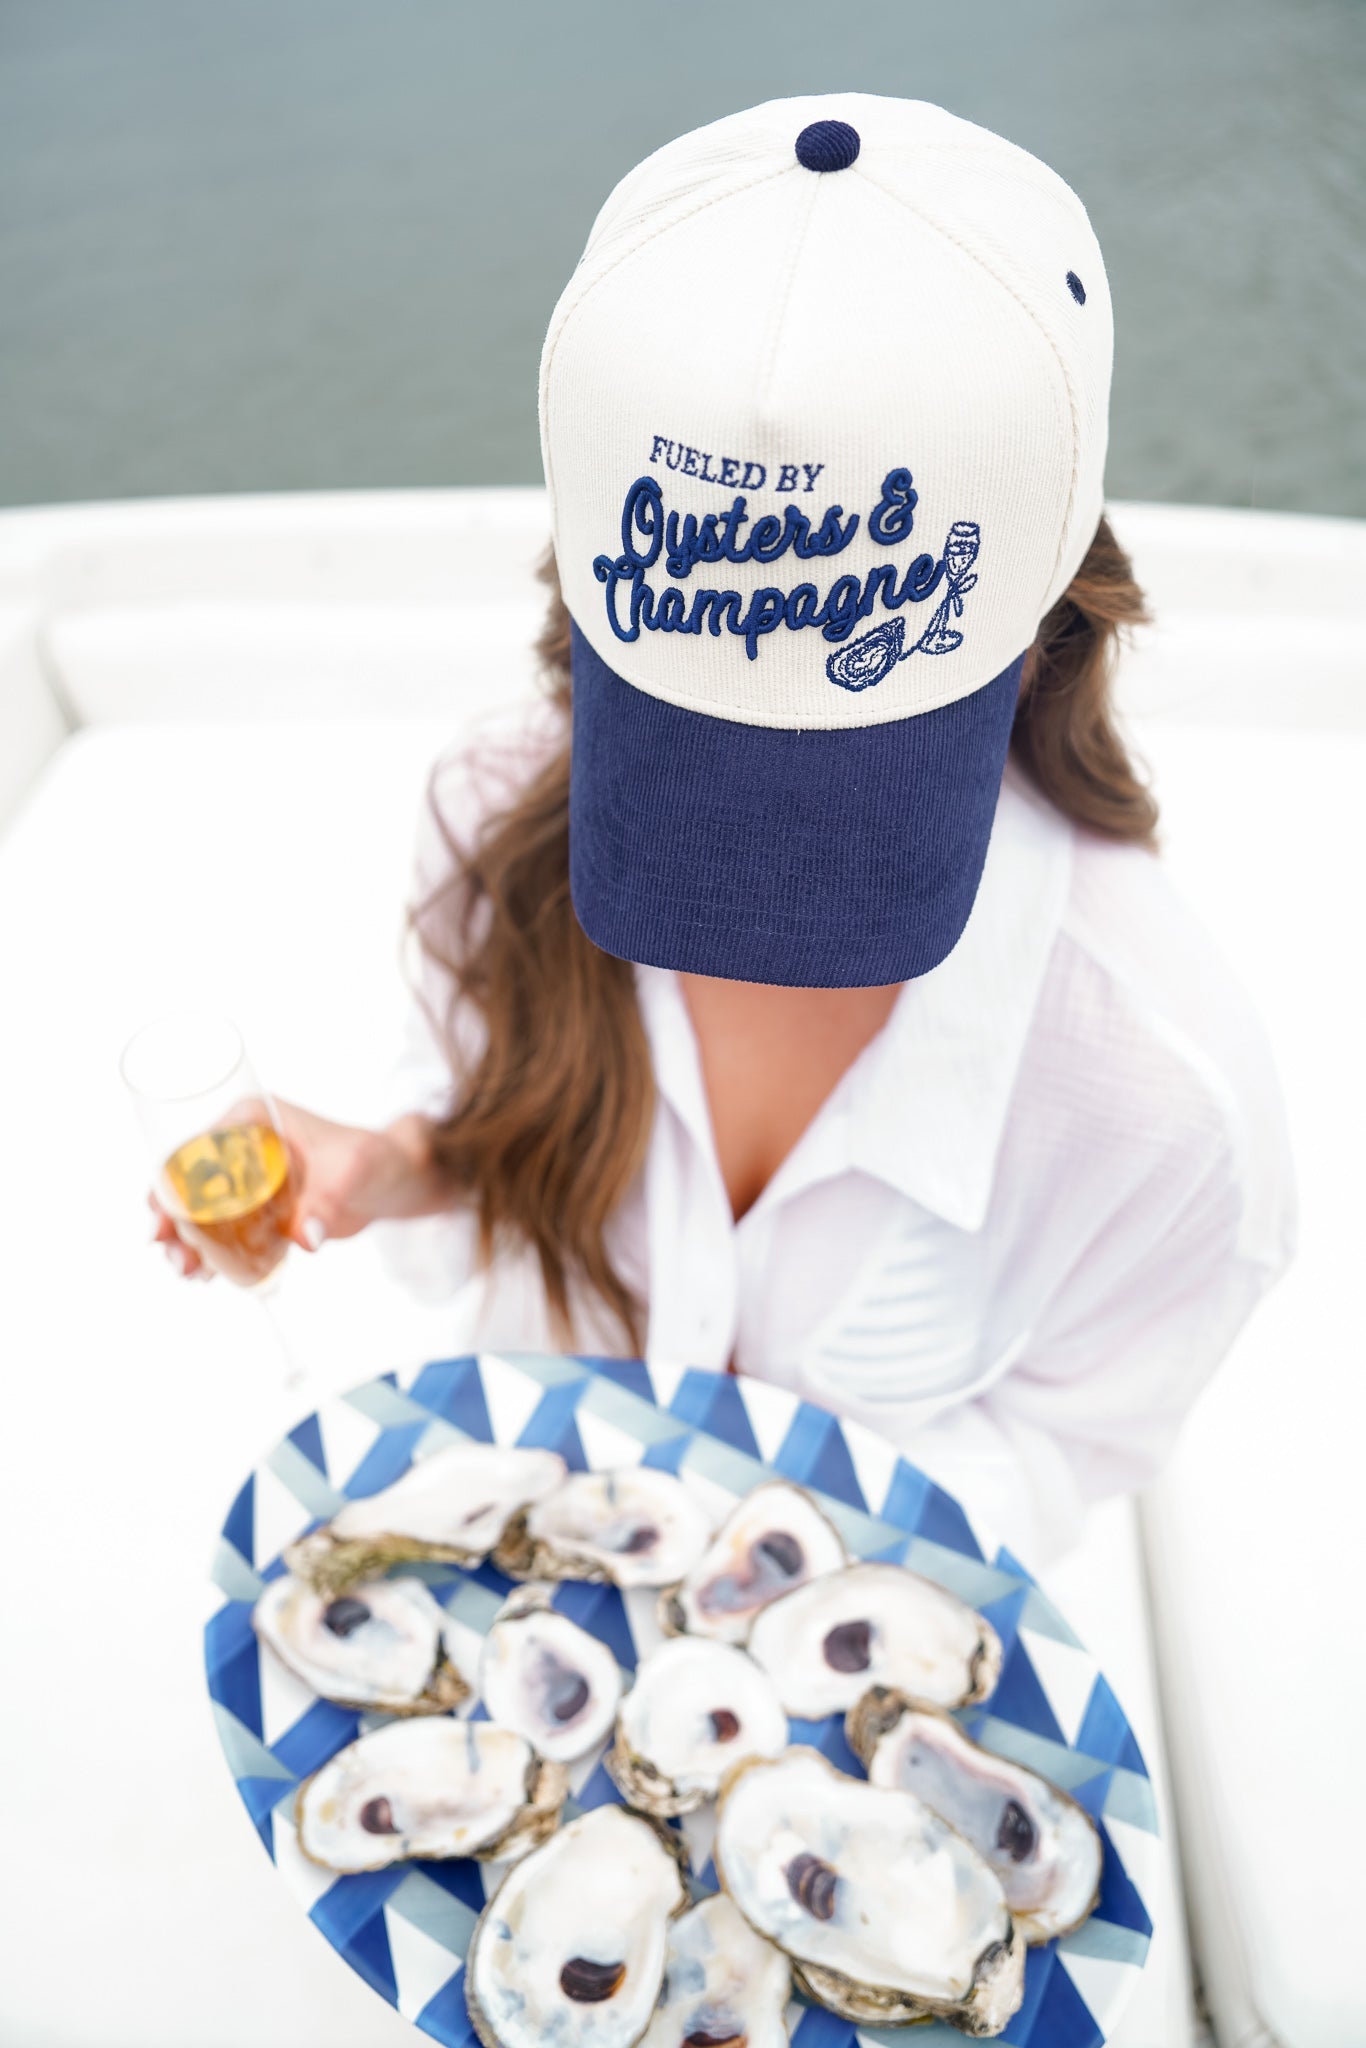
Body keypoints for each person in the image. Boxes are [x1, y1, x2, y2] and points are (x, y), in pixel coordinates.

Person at [150, 95, 1295, 1562]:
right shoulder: (491, 812)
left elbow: (1068, 1448)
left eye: (844, 749)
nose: (763, 914)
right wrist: (407, 1165)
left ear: (1046, 610)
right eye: (702, 727)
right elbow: (491, 1190)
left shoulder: (1171, 1113)